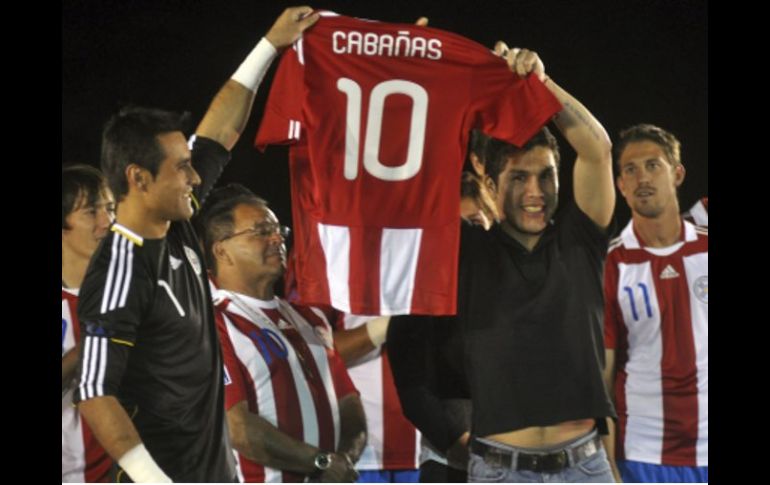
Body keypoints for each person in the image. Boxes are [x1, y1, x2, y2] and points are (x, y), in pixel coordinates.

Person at [72, 8, 320, 482]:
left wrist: (271, 43)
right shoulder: (120, 271)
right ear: (138, 178)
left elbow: (221, 130)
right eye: (181, 167)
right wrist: (154, 479)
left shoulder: (176, 223)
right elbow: (94, 391)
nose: (194, 176)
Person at [460, 45, 617, 482]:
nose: (536, 191)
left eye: (546, 175)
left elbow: (597, 150)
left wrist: (539, 84)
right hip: (500, 469)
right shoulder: (466, 250)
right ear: (489, 184)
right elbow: (414, 178)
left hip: (586, 466)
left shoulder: (579, 239)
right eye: (519, 177)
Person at [197, 183, 366, 482]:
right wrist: (320, 462)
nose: (277, 238)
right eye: (261, 231)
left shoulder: (310, 318)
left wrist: (343, 461)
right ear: (221, 250)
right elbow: (238, 428)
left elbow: (349, 403)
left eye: (278, 230)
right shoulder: (213, 323)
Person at [603, 124, 708, 483]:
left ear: (677, 174)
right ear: (619, 185)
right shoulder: (610, 265)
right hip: (641, 453)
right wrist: (608, 468)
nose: (641, 178)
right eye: (630, 170)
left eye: (653, 165)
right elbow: (602, 375)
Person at [62, 164, 115, 482]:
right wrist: (96, 339)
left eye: (110, 209)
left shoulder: (136, 290)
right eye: (91, 211)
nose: (106, 223)